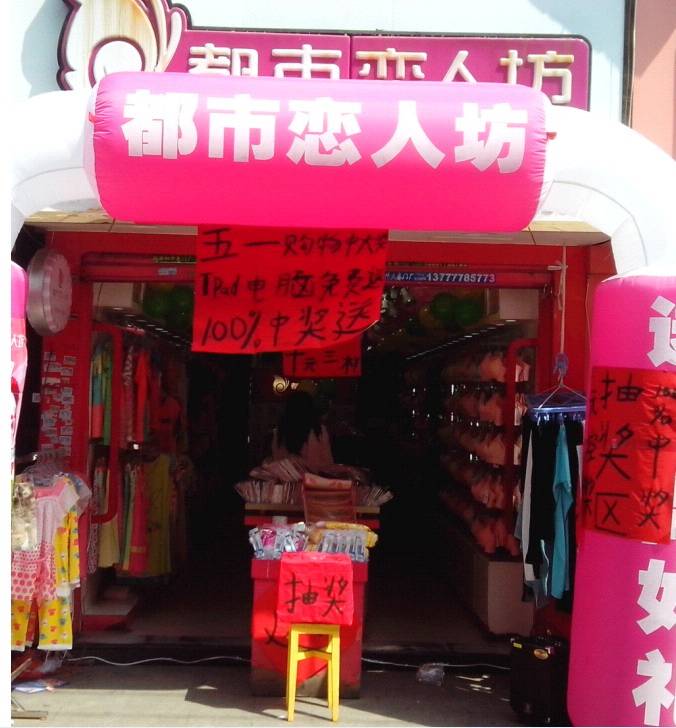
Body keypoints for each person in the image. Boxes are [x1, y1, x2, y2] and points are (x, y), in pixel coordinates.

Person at [271, 390, 334, 472]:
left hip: (285, 478)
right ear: (310, 408)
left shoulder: (279, 431)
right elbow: (328, 463)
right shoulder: (319, 431)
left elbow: (277, 460)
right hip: (314, 478)